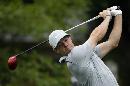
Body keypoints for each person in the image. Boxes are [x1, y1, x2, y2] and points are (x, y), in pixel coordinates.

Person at [48, 8, 122, 86]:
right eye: (60, 45)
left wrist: (118, 14)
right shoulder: (75, 56)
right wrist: (107, 17)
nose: (65, 45)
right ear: (57, 50)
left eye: (66, 40)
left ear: (70, 38)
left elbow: (112, 43)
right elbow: (96, 35)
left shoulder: (86, 55)